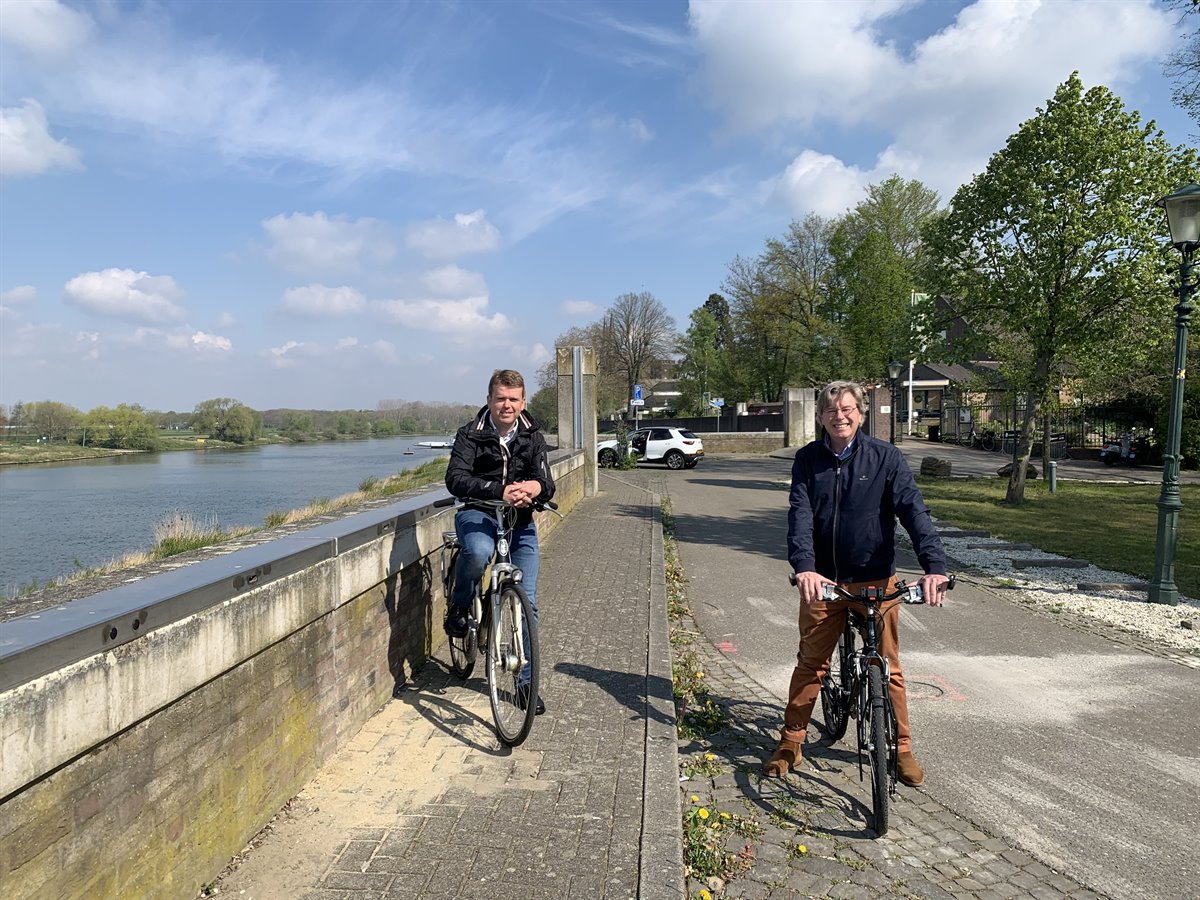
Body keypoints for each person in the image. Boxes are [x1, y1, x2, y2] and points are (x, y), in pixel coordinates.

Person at [765, 380, 949, 786]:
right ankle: (791, 740)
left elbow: (914, 512)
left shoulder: (886, 458)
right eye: (831, 411)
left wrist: (934, 566)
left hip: (876, 579)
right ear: (821, 416)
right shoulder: (808, 460)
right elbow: (800, 517)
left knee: (890, 666)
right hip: (825, 582)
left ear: (861, 414)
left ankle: (901, 748)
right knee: (812, 663)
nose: (840, 416)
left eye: (847, 409)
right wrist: (805, 567)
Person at [444, 368, 555, 714]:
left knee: (528, 601)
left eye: (513, 399)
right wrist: (499, 491)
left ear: (523, 402)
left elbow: (545, 481)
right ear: (489, 400)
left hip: (519, 521)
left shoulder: (532, 435)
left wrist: (534, 489)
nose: (507, 405)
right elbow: (456, 479)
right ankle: (460, 605)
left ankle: (524, 686)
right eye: (500, 398)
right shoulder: (470, 434)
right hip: (478, 512)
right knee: (477, 553)